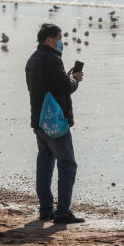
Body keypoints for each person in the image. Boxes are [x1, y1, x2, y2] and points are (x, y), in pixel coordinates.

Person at [25, 23, 84, 224]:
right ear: (49, 39)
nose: (61, 42)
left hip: (38, 121)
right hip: (55, 123)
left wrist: (66, 78)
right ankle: (62, 211)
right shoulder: (52, 60)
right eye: (59, 38)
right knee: (67, 165)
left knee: (45, 165)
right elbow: (66, 88)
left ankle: (46, 209)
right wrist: (75, 79)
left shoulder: (33, 59)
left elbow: (47, 85)